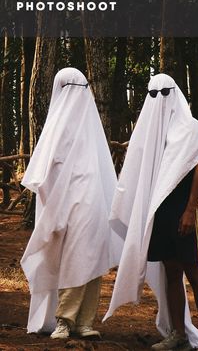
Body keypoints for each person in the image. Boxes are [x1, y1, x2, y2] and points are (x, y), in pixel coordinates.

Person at [103, 73, 198, 351]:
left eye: (163, 93)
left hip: (183, 209)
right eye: (152, 94)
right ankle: (178, 333)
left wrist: (190, 210)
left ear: (174, 93)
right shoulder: (148, 131)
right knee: (171, 272)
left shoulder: (190, 129)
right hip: (160, 212)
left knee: (194, 272)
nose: (158, 100)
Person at [21, 67, 121, 339]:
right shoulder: (56, 126)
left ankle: (84, 321)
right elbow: (42, 175)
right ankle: (64, 319)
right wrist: (52, 212)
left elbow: (101, 169)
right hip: (66, 206)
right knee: (73, 259)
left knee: (92, 257)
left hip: (94, 203)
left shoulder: (91, 126)